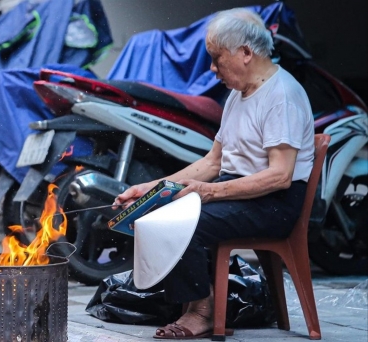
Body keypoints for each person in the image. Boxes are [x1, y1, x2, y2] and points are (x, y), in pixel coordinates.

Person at [113, 7, 315, 340]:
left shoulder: (282, 96)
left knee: (183, 223)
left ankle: (201, 311)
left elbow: (280, 176)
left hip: (274, 203)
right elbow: (212, 162)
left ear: (246, 53)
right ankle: (191, 301)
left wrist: (209, 193)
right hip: (239, 192)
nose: (212, 68)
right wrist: (149, 189)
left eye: (216, 58)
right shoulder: (238, 95)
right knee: (157, 210)